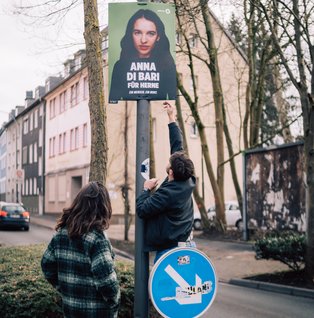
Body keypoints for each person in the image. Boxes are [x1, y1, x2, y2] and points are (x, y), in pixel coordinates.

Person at [41, 181, 120, 318]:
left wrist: (64, 288)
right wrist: (115, 301)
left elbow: (47, 265)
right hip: (97, 312)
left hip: (70, 309)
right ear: (103, 207)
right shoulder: (97, 239)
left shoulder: (61, 233)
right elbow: (107, 283)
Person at [136, 102, 196, 262]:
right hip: (186, 245)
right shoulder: (187, 178)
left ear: (171, 172)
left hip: (170, 251)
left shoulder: (168, 193)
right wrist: (171, 117)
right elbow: (177, 145)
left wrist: (146, 189)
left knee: (164, 287)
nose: (169, 158)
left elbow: (142, 209)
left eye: (170, 161)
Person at [109, 9, 176, 103]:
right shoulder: (120, 67)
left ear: (158, 36)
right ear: (130, 34)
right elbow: (113, 102)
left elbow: (172, 103)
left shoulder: (168, 67)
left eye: (150, 33)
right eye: (137, 32)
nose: (143, 40)